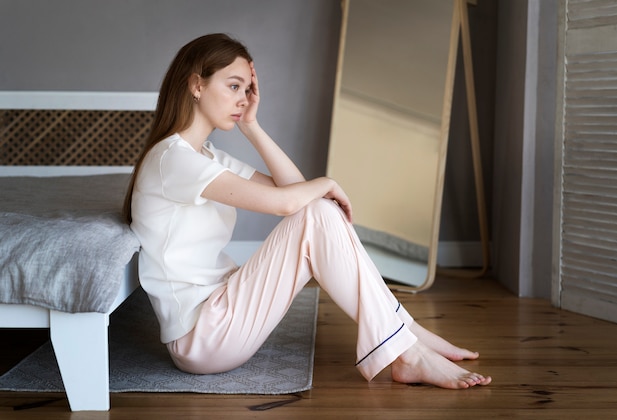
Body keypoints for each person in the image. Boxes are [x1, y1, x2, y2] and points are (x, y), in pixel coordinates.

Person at [124, 33, 491, 389]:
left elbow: (295, 192)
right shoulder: (173, 161)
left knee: (316, 211)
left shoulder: (205, 156)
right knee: (316, 212)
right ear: (196, 85)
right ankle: (408, 348)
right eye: (233, 86)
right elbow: (292, 203)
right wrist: (328, 182)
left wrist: (251, 127)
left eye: (246, 89)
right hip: (202, 336)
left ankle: (408, 338)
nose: (243, 98)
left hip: (221, 309)